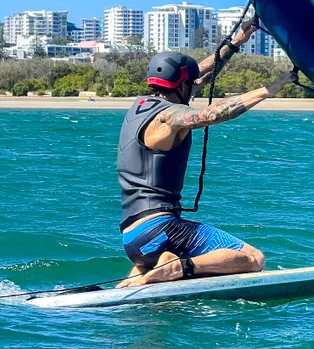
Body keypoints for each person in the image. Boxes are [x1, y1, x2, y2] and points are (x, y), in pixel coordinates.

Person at [115, 22, 297, 288]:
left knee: (144, 276)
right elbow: (213, 113)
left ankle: (134, 281)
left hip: (135, 242)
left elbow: (197, 74)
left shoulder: (140, 107)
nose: (196, 85)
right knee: (253, 258)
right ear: (181, 86)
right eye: (190, 83)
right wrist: (272, 88)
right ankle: (179, 265)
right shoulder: (169, 117)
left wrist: (236, 42)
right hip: (161, 230)